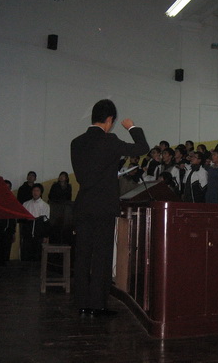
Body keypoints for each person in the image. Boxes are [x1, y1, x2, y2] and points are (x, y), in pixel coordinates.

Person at [70, 99, 149, 317]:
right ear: (110, 120)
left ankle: (81, 303)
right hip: (104, 206)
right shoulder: (110, 141)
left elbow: (86, 174)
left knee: (83, 255)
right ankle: (97, 304)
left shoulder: (76, 142)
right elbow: (142, 148)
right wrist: (132, 127)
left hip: (83, 205)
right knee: (102, 256)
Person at [20, 184, 50, 261]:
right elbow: (22, 220)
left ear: (41, 192)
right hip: (27, 235)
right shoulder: (26, 204)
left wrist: (46, 236)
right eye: (34, 190)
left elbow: (46, 222)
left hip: (39, 235)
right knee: (26, 256)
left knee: (37, 256)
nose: (35, 192)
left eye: (37, 191)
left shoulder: (45, 205)